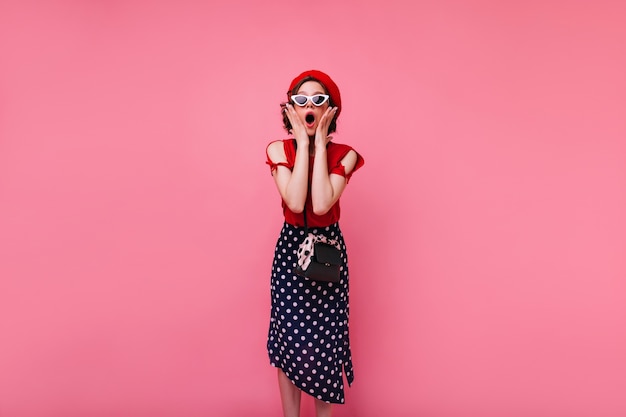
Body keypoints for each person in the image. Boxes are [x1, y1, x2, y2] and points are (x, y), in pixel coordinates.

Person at [265, 70, 364, 417]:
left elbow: (321, 205)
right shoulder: (279, 149)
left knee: (325, 345)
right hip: (290, 251)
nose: (309, 106)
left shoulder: (346, 154)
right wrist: (302, 144)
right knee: (288, 342)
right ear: (290, 109)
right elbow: (295, 203)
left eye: (318, 100)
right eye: (301, 99)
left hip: (328, 252)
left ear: (331, 110)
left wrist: (320, 145)